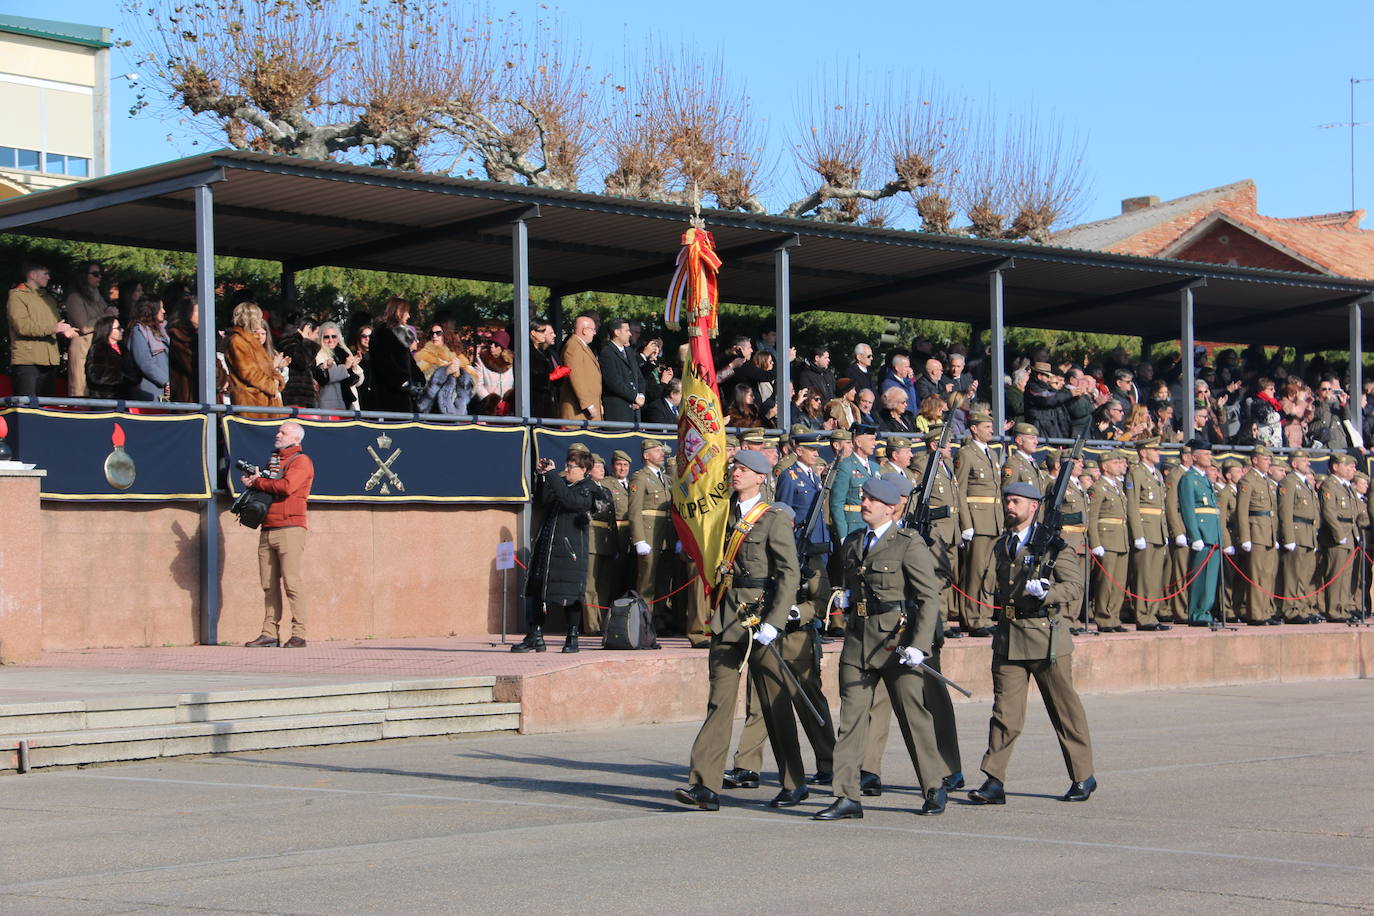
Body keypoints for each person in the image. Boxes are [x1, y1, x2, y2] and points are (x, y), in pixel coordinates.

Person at [812, 476, 949, 820]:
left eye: (873, 499)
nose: (865, 503)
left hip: (896, 643)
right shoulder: (855, 542)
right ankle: (846, 796)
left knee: (912, 716)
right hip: (858, 642)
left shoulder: (908, 543)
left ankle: (933, 785)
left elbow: (928, 597)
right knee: (851, 721)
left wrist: (919, 644)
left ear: (892, 507)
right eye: (864, 497)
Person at [674, 450, 803, 811]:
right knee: (720, 702)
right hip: (727, 617)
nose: (736, 473)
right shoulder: (720, 512)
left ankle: (794, 781)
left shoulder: (773, 518)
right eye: (735, 468)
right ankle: (704, 786)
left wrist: (775, 622)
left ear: (761, 478)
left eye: (744, 470)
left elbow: (788, 574)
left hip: (760, 618)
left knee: (773, 706)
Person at [968, 481, 1095, 806]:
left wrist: (1047, 592)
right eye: (1007, 500)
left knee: (1064, 711)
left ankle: (1083, 775)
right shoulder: (1002, 544)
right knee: (1004, 714)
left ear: (1034, 507)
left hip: (1045, 637)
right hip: (1010, 636)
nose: (1010, 506)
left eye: (1017, 502)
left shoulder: (1054, 546)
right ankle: (994, 779)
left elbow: (1074, 587)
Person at [515, 450, 602, 653]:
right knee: (537, 589)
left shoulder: (588, 488)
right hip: (547, 546)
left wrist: (553, 476)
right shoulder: (561, 483)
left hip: (569, 550)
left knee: (570, 594)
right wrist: (543, 476)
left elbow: (569, 501)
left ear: (584, 470)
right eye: (566, 465)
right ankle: (534, 635)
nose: (566, 469)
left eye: (571, 466)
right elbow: (544, 500)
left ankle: (572, 637)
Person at [242, 421, 316, 648]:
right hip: (268, 526)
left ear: (295, 439)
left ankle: (299, 633)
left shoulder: (301, 461)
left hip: (290, 527)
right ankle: (269, 632)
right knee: (268, 584)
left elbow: (286, 486)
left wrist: (259, 482)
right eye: (279, 431)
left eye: (283, 432)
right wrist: (252, 483)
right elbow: (270, 486)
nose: (278, 434)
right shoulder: (274, 460)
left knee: (291, 582)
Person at [955, 411, 1003, 637]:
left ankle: (984, 615)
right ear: (974, 428)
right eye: (986, 427)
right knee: (974, 572)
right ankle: (971, 618)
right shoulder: (966, 453)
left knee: (989, 572)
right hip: (977, 519)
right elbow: (960, 489)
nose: (991, 431)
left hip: (993, 520)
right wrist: (966, 523)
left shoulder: (992, 454)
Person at [629, 439, 677, 632]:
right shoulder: (640, 478)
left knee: (663, 582)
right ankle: (643, 624)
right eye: (656, 451)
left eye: (661, 450)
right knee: (646, 582)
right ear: (646, 455)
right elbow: (634, 511)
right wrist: (639, 539)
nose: (661, 454)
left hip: (665, 536)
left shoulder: (664, 478)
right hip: (649, 536)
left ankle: (658, 621)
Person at [7, 263, 75, 397]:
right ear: (32, 275)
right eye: (45, 274)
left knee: (45, 407)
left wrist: (64, 330)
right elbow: (22, 326)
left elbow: (56, 324)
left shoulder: (49, 299)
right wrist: (54, 328)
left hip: (49, 360)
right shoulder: (17, 296)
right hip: (27, 360)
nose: (49, 277)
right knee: (27, 406)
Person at [1125, 437, 1171, 631]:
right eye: (1154, 449)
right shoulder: (1135, 472)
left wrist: (1165, 530)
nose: (1158, 453)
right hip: (1144, 529)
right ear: (1143, 452)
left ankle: (1151, 614)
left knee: (1154, 578)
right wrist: (1138, 534)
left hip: (1158, 530)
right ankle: (1143, 616)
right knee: (1144, 576)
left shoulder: (1157, 474)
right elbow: (1133, 505)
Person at [1178, 440, 1222, 626]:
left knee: (1210, 578)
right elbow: (1188, 509)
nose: (1209, 457)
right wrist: (1194, 536)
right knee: (1200, 577)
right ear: (1194, 457)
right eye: (1205, 454)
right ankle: (1197, 613)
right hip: (1202, 534)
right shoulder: (1189, 479)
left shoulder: (1204, 479)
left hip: (1212, 533)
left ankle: (1205, 611)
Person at [1235, 447, 1278, 625]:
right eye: (1265, 459)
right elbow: (1242, 511)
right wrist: (1245, 537)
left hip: (1268, 532)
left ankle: (1265, 611)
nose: (1268, 462)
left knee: (1267, 574)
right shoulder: (1248, 480)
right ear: (1254, 460)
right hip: (1256, 532)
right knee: (1256, 575)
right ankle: (1255, 614)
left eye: (1269, 459)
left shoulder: (1266, 481)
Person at [224, 302, 288, 417]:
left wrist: (277, 380)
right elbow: (249, 373)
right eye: (259, 317)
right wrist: (271, 386)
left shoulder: (253, 340)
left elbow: (267, 368)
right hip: (251, 403)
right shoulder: (237, 341)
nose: (261, 320)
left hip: (267, 402)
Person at [63, 261, 110, 397]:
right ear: (84, 276)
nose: (99, 277)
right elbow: (83, 326)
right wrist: (105, 315)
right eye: (95, 274)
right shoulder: (74, 298)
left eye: (100, 274)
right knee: (81, 393)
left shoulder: (99, 298)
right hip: (82, 350)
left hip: (97, 351)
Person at [414, 320, 476, 416]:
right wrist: (445, 372)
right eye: (432, 333)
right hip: (431, 413)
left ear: (446, 336)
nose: (434, 336)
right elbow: (421, 391)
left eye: (438, 333)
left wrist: (459, 375)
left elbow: (471, 388)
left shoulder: (459, 358)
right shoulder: (422, 357)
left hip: (456, 414)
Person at [370, 297, 420, 412]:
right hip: (389, 399)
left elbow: (409, 363)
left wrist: (418, 380)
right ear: (398, 312)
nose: (408, 316)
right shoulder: (382, 334)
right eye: (406, 312)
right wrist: (403, 382)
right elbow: (385, 365)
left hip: (405, 398)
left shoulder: (400, 335)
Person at [125, 296, 171, 402]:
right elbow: (145, 362)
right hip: (150, 390)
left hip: (168, 389)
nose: (163, 311)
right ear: (151, 310)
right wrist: (165, 381)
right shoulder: (138, 331)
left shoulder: (164, 329)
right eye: (160, 308)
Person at [314, 321, 362, 412]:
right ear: (321, 338)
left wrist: (354, 368)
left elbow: (357, 382)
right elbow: (324, 378)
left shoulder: (344, 353)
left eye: (334, 336)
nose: (331, 340)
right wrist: (345, 367)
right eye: (326, 337)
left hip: (347, 402)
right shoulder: (318, 354)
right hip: (329, 404)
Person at [166, 294, 198, 403]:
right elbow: (195, 367)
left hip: (206, 399)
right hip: (189, 399)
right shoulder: (178, 336)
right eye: (197, 311)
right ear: (187, 313)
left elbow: (215, 364)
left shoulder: (202, 335)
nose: (202, 315)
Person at [84, 314, 126, 399]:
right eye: (118, 328)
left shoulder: (124, 349)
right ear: (108, 331)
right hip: (104, 399)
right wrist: (120, 377)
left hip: (123, 398)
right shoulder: (98, 350)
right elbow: (96, 376)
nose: (122, 330)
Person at [473, 329, 515, 415]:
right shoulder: (481, 360)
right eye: (490, 343)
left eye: (496, 344)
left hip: (507, 409)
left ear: (503, 348)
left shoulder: (511, 362)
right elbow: (477, 384)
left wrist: (507, 402)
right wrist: (490, 401)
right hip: (486, 407)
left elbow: (514, 383)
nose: (492, 346)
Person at [528, 319, 563, 418]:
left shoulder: (545, 353)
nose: (545, 334)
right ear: (533, 333)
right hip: (535, 404)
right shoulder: (529, 353)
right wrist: (550, 377)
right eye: (542, 331)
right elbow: (530, 378)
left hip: (549, 402)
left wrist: (559, 376)